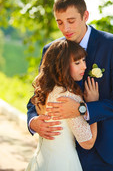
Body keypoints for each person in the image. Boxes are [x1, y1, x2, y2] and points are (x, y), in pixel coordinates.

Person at [27, 0, 113, 171]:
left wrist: (82, 109)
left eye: (71, 20)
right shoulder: (51, 50)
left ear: (85, 16)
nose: (65, 28)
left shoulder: (112, 45)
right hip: (63, 153)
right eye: (59, 22)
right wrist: (33, 121)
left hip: (105, 154)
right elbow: (39, 93)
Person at [26, 39, 99, 171]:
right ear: (62, 66)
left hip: (41, 161)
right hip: (63, 163)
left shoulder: (44, 90)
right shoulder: (69, 97)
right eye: (77, 62)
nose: (84, 66)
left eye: (83, 60)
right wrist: (93, 104)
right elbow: (88, 143)